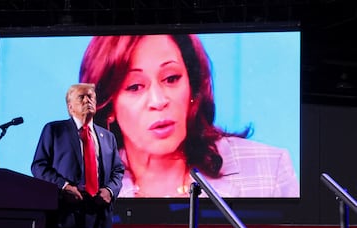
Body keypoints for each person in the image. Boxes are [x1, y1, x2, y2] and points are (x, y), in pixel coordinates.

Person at [78, 34, 299, 198]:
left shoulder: (269, 168)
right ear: (109, 107)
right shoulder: (90, 182)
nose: (158, 101)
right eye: (135, 86)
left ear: (192, 87)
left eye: (171, 78)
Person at [31, 83, 125, 228]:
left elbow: (118, 170)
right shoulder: (54, 130)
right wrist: (64, 187)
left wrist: (109, 190)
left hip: (98, 217)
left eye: (91, 96)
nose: (87, 100)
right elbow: (39, 166)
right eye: (81, 97)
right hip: (65, 216)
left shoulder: (107, 137)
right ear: (70, 106)